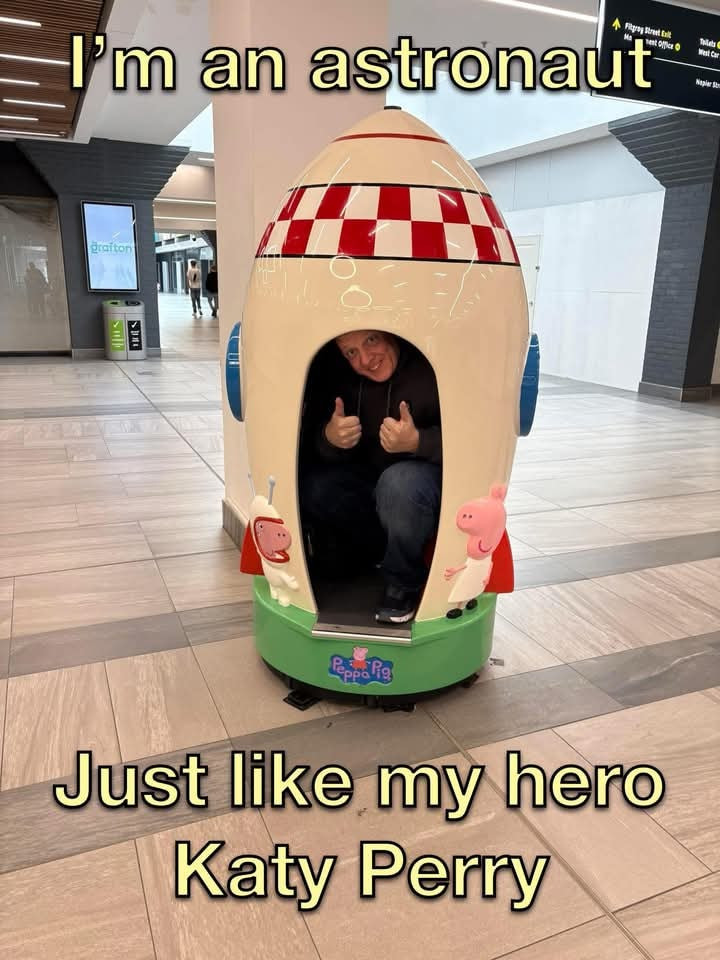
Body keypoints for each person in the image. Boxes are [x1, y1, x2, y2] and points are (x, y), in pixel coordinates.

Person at [300, 330, 441, 625]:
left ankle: (403, 582)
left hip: (420, 486)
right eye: (351, 352)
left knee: (399, 483)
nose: (365, 359)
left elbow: (470, 440)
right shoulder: (338, 379)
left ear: (392, 333)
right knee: (316, 487)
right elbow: (311, 446)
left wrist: (418, 442)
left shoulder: (431, 369)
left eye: (371, 340)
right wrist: (330, 438)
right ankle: (369, 554)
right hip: (372, 487)